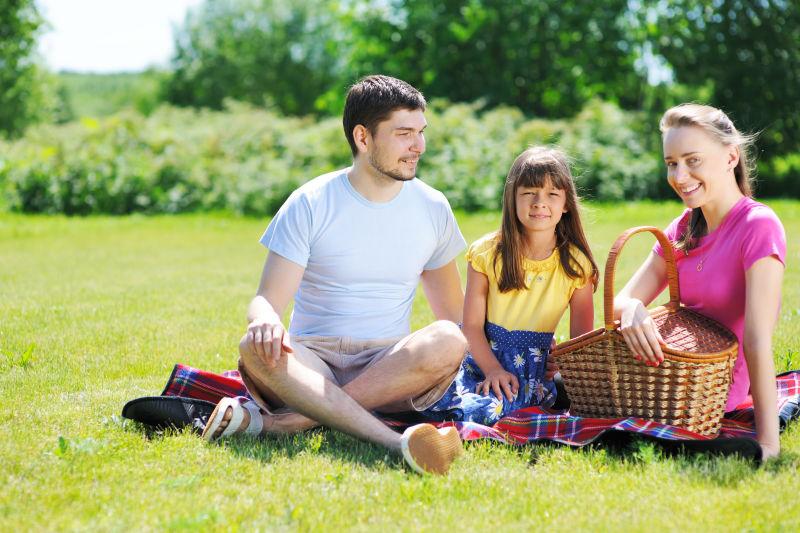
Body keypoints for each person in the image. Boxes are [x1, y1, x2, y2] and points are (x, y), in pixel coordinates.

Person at [201, 75, 469, 475]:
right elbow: (266, 299)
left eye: (421, 133)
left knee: (448, 339)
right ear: (363, 138)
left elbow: (454, 317)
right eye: (404, 134)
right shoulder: (310, 202)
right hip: (314, 360)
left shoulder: (433, 207)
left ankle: (287, 423)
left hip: (388, 366)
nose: (419, 146)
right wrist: (265, 320)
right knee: (252, 346)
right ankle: (395, 443)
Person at [614, 104, 786, 459]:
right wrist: (632, 307)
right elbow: (622, 300)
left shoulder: (758, 226)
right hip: (672, 375)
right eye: (671, 163)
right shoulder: (681, 229)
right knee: (568, 383)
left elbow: (756, 340)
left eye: (693, 160)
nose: (679, 176)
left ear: (730, 157)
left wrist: (768, 443)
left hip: (714, 390)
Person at [422, 147, 597, 425]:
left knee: (490, 408)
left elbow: (581, 341)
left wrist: (562, 362)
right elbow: (471, 327)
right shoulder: (486, 253)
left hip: (529, 372)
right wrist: (491, 369)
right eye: (529, 193)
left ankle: (447, 425)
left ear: (566, 204)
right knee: (428, 394)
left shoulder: (576, 267)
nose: (540, 202)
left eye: (552, 194)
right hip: (478, 357)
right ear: (512, 199)